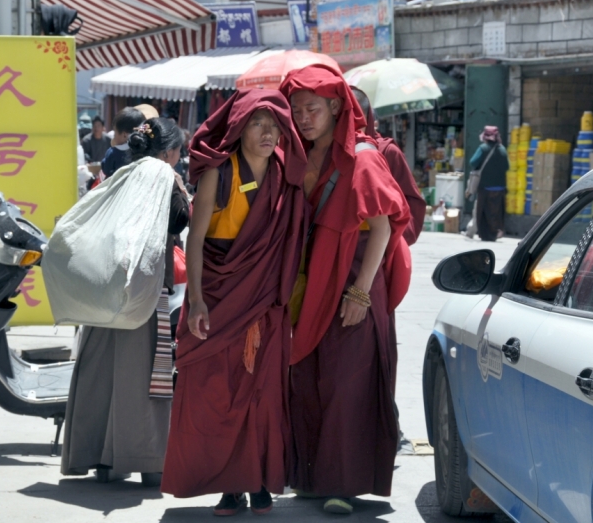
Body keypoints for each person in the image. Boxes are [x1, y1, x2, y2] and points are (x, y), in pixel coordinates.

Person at [162, 90, 307, 516]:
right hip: (222, 294)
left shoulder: (286, 175)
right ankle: (230, 487)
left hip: (264, 301)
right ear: (240, 127)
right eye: (258, 123)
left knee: (264, 396)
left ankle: (260, 480)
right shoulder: (220, 172)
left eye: (275, 124)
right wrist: (199, 300)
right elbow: (198, 239)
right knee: (219, 395)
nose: (268, 133)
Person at [279, 65, 412, 515]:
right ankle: (310, 477)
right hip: (308, 285)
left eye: (312, 109)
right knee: (306, 380)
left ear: (336, 106)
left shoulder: (363, 157)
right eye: (295, 110)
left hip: (353, 281)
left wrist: (360, 293)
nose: (302, 119)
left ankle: (343, 483)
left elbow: (383, 227)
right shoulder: (297, 156)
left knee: (344, 385)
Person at [61, 118, 190, 486]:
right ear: (166, 153)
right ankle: (148, 461)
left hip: (105, 292)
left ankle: (102, 460)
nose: (181, 157)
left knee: (102, 375)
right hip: (145, 294)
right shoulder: (162, 177)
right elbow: (179, 221)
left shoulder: (117, 173)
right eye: (178, 150)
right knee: (145, 379)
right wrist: (179, 185)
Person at [351, 87, 427, 246]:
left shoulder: (387, 152)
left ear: (367, 119)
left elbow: (412, 203)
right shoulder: (325, 151)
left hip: (378, 247)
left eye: (356, 118)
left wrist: (393, 241)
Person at [466, 126, 508, 242]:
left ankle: (485, 234)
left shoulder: (483, 148)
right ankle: (494, 233)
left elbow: (473, 162)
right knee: (495, 212)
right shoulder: (502, 149)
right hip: (499, 188)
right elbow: (506, 167)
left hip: (485, 187)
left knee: (483, 211)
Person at [99, 107, 145, 180]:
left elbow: (106, 170)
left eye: (115, 132)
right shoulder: (145, 151)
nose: (114, 135)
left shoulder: (112, 152)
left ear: (124, 135)